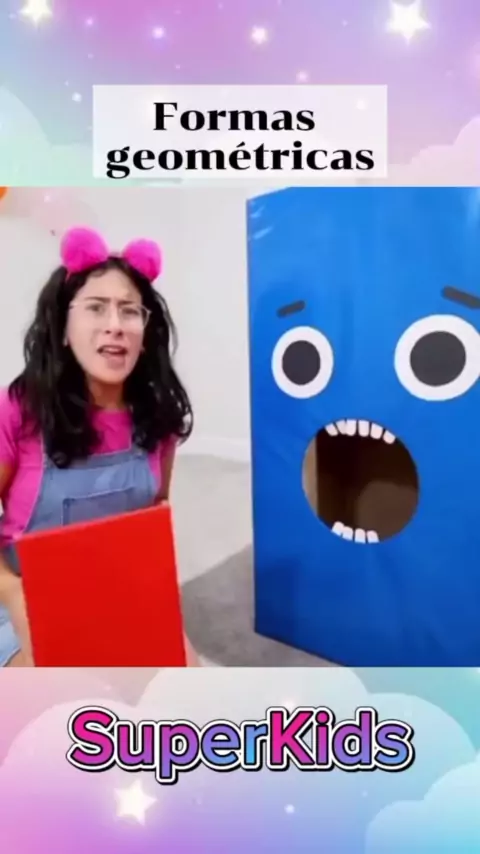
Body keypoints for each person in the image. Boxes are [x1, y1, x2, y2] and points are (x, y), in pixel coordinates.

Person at [0, 226, 199, 667]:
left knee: (191, 689)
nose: (115, 325)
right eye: (95, 307)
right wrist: (14, 595)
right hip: (16, 601)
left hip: (117, 595)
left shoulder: (159, 417)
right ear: (64, 329)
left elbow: (154, 511)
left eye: (129, 311)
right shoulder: (16, 410)